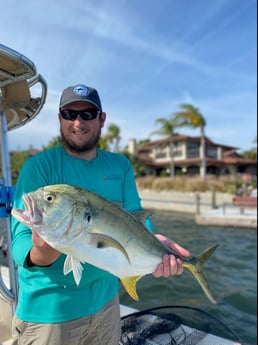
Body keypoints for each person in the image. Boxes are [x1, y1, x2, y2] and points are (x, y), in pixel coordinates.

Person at [11, 84, 190, 345]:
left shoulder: (120, 165)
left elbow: (136, 216)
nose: (77, 122)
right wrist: (46, 248)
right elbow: (19, 247)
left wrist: (155, 245)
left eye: (88, 114)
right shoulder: (38, 168)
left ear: (101, 119)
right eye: (69, 113)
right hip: (51, 313)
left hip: (107, 306)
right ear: (60, 117)